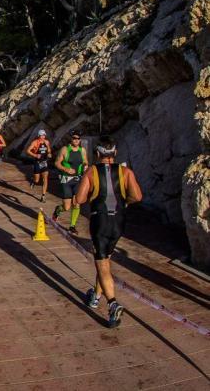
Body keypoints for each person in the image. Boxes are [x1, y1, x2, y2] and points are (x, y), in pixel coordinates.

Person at [75, 136, 142, 328]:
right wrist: (125, 201)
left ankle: (112, 303)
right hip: (119, 221)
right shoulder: (125, 172)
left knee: (102, 265)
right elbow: (137, 196)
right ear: (115, 153)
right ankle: (95, 296)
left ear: (97, 154)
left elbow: (79, 200)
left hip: (100, 221)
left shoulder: (91, 172)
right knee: (105, 260)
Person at [52, 132, 88, 234]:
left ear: (80, 140)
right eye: (74, 138)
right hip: (66, 179)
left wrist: (85, 165)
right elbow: (57, 163)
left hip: (77, 179)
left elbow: (86, 161)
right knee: (67, 207)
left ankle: (72, 226)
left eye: (78, 138)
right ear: (71, 139)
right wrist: (65, 169)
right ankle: (57, 210)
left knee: (77, 203)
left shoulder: (83, 150)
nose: (76, 140)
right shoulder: (64, 149)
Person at [26, 129, 53, 203]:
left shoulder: (47, 142)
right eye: (41, 135)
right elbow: (28, 150)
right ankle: (33, 181)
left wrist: (49, 154)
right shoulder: (35, 142)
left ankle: (43, 196)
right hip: (37, 162)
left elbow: (49, 150)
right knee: (37, 180)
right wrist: (35, 155)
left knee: (45, 179)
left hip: (44, 162)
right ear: (38, 136)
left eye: (44, 135)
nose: (43, 137)